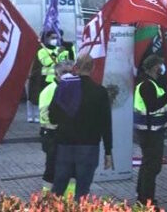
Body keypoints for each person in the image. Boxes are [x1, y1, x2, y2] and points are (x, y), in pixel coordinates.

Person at [49, 54, 112, 200]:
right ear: (93, 68)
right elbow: (106, 124)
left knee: (58, 188)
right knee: (82, 190)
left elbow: (52, 117)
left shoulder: (64, 88)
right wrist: (108, 151)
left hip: (64, 144)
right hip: (89, 146)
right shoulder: (100, 91)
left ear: (75, 67)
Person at [134, 55, 167, 206]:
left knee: (148, 165)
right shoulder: (147, 85)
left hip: (152, 130)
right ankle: (147, 201)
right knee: (152, 167)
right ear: (154, 67)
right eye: (160, 65)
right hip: (149, 132)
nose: (162, 68)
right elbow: (153, 106)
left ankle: (142, 197)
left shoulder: (151, 83)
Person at [38, 61, 74, 191]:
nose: (68, 75)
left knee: (71, 170)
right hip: (53, 135)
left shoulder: (75, 89)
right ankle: (47, 199)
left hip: (69, 136)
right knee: (51, 170)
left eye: (71, 72)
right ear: (56, 74)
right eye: (64, 72)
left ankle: (70, 199)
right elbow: (46, 117)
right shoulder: (48, 91)